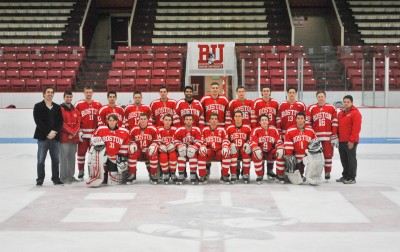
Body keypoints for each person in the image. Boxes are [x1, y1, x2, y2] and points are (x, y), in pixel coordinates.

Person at [33, 86, 64, 186]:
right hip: (43, 138)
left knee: (55, 159)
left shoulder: (57, 107)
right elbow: (38, 121)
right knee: (41, 160)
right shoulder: (38, 106)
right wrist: (48, 132)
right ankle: (40, 179)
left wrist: (54, 132)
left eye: (52, 92)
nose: (50, 93)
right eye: (48, 92)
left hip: (55, 138)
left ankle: (55, 179)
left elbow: (60, 122)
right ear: (44, 94)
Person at [88, 114, 130, 186]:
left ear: (117, 121)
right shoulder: (100, 129)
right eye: (110, 120)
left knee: (112, 182)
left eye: (113, 120)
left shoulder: (124, 131)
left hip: (115, 157)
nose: (112, 122)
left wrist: (121, 157)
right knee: (92, 158)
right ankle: (95, 175)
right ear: (107, 121)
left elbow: (125, 147)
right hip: (103, 156)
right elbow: (92, 140)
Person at [306, 90, 338, 180]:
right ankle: (317, 173)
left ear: (325, 97)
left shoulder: (331, 107)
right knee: (316, 157)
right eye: (319, 97)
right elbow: (308, 123)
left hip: (328, 137)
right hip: (316, 137)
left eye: (322, 96)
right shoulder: (311, 108)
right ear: (317, 98)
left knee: (328, 155)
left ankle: (327, 172)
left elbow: (334, 122)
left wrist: (334, 135)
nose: (320, 98)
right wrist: (311, 135)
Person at [74, 86, 102, 180]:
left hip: (94, 136)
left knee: (94, 155)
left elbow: (100, 120)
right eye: (87, 92)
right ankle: (81, 170)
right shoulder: (78, 104)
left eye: (90, 92)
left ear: (92, 93)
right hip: (83, 135)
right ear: (84, 93)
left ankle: (92, 171)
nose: (88, 94)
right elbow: (75, 119)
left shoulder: (98, 104)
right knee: (81, 154)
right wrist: (79, 131)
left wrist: (99, 133)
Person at [283, 112, 317, 183]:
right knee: (294, 177)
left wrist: (311, 155)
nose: (300, 120)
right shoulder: (290, 130)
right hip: (295, 156)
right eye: (298, 118)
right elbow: (288, 144)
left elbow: (315, 144)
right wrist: (290, 156)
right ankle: (289, 173)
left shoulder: (310, 130)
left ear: (304, 119)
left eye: (302, 118)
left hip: (306, 156)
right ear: (296, 119)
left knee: (316, 159)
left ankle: (312, 175)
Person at [250, 114, 284, 184]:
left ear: (268, 121)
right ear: (259, 122)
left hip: (271, 151)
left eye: (265, 120)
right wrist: (256, 148)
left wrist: (279, 148)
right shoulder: (256, 130)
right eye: (262, 120)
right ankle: (259, 174)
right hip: (261, 151)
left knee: (281, 153)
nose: (264, 121)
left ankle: (279, 174)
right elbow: (253, 141)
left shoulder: (274, 130)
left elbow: (279, 141)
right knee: (256, 154)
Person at [198, 113, 231, 184]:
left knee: (226, 153)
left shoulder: (222, 129)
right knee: (201, 153)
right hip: (210, 150)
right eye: (212, 119)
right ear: (209, 120)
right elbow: (201, 139)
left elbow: (226, 139)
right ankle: (202, 175)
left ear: (218, 121)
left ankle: (224, 174)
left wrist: (225, 147)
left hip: (219, 150)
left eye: (215, 119)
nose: (214, 120)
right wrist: (203, 146)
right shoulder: (204, 129)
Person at [127, 113, 159, 184]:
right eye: (141, 119)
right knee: (132, 153)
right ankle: (132, 174)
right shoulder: (134, 129)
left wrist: (154, 145)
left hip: (148, 150)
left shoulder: (153, 128)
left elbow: (157, 141)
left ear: (148, 120)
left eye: (144, 119)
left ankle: (153, 174)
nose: (143, 121)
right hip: (139, 151)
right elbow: (130, 140)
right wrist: (132, 144)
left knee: (154, 153)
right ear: (139, 120)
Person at [337, 95, 362, 184]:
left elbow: (356, 128)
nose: (346, 103)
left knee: (351, 159)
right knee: (344, 159)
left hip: (350, 141)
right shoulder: (340, 113)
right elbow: (338, 127)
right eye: (345, 102)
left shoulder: (355, 113)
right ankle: (345, 175)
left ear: (351, 103)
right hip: (341, 140)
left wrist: (352, 141)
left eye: (348, 102)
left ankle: (352, 177)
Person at [174, 114, 203, 184]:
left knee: (193, 155)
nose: (188, 121)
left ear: (193, 121)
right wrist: (180, 146)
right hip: (183, 150)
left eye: (190, 120)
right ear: (184, 121)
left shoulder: (197, 129)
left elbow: (200, 140)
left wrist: (194, 147)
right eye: (187, 119)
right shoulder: (179, 130)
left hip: (192, 151)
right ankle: (181, 175)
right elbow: (175, 140)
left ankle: (193, 174)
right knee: (181, 155)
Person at [59, 91, 81, 184]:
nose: (69, 98)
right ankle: (63, 178)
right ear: (64, 97)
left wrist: (74, 133)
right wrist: (71, 132)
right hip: (64, 138)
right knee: (63, 159)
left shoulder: (75, 110)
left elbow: (78, 123)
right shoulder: (60, 109)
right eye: (67, 97)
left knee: (72, 158)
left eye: (70, 97)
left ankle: (71, 177)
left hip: (73, 139)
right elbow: (61, 123)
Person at [226, 110, 252, 183]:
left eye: (239, 116)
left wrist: (248, 144)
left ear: (242, 117)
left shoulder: (247, 127)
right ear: (234, 117)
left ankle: (246, 173)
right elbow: (225, 139)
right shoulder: (229, 128)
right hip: (235, 148)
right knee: (233, 152)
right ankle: (233, 173)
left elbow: (252, 138)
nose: (238, 118)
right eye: (236, 116)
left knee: (246, 153)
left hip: (243, 148)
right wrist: (230, 144)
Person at [157, 114, 178, 184]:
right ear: (162, 121)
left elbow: (177, 140)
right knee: (163, 157)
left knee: (173, 156)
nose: (167, 122)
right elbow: (157, 140)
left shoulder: (175, 129)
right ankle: (165, 173)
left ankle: (172, 173)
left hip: (172, 150)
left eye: (169, 120)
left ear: (172, 121)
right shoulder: (159, 129)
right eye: (166, 120)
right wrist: (160, 146)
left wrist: (174, 145)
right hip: (163, 150)